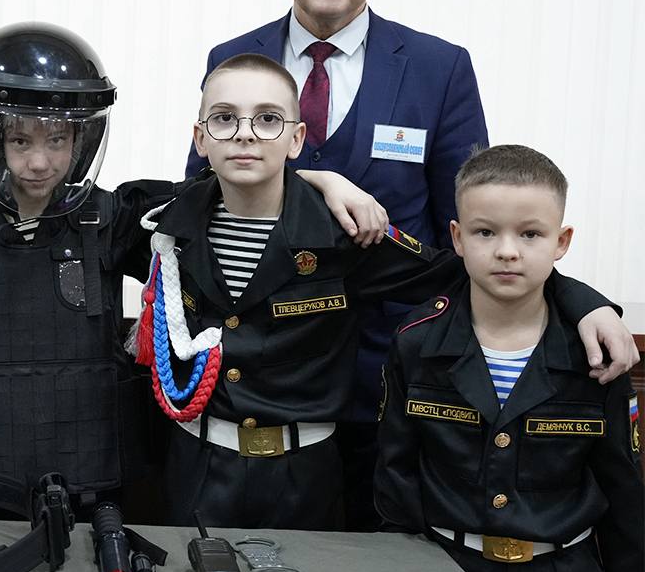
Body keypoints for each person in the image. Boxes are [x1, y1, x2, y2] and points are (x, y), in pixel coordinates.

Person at [185, 0, 639, 529]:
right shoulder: (234, 59)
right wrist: (319, 180)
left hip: (391, 390)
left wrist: (580, 300)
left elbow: (484, 225)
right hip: (262, 396)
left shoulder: (437, 69)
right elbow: (200, 204)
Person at [0, 26, 388, 520]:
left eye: (57, 140)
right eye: (19, 141)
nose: (39, 161)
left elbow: (231, 189)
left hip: (87, 496)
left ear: (81, 139)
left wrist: (322, 181)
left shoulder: (112, 220)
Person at [141, 54, 623, 530]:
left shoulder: (343, 236)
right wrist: (317, 175)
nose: (245, 134)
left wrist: (583, 302)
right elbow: (94, 219)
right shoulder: (163, 223)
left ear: (297, 139)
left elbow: (466, 269)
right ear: (200, 137)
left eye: (268, 120)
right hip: (194, 466)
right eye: (224, 119)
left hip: (304, 476)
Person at [374, 145, 643, 572]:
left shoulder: (597, 352)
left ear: (562, 241)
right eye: (485, 231)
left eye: (530, 234)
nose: (507, 251)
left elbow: (624, 491)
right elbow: (396, 480)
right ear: (457, 237)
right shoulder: (417, 344)